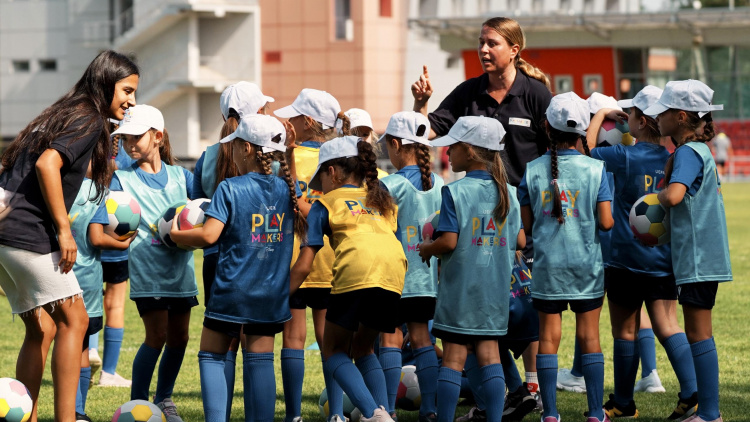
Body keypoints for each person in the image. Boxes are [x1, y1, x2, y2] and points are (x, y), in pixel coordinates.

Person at [0, 50, 138, 422]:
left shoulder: (60, 112)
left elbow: (11, 167)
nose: (131, 101)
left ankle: (24, 417)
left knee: (41, 326)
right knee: (74, 321)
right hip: (27, 232)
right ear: (106, 83)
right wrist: (64, 230)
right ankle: (67, 419)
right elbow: (48, 164)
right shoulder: (89, 118)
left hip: (5, 233)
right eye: (127, 90)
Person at [171, 115, 303, 422]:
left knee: (212, 356)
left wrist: (176, 235)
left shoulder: (229, 188)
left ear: (245, 148)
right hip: (271, 293)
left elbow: (208, 236)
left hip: (233, 291)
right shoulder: (288, 191)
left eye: (232, 148)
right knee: (260, 361)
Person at [587, 85, 699, 420]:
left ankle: (623, 403)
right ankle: (693, 394)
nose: (626, 119)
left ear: (640, 121)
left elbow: (587, 150)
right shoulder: (672, 159)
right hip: (663, 260)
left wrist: (600, 116)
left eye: (630, 114)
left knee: (624, 330)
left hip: (624, 258)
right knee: (667, 325)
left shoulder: (623, 156)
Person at [290, 136, 406, 422]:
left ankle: (372, 413)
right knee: (364, 347)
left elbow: (305, 264)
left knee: (334, 350)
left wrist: (280, 294)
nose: (320, 186)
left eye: (321, 178)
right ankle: (385, 412)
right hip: (393, 274)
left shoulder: (326, 202)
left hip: (357, 272)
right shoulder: (380, 198)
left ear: (332, 172)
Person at [419, 115, 524, 422]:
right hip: (494, 292)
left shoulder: (454, 191)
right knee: (491, 356)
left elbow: (449, 242)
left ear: (467, 149)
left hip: (461, 291)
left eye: (452, 147)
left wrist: (428, 248)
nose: (447, 153)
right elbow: (519, 239)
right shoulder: (511, 194)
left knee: (453, 358)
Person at [517, 92, 614, 422]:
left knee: (548, 339)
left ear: (546, 127)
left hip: (547, 267)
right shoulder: (597, 169)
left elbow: (526, 226)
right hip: (586, 265)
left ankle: (551, 415)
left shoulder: (531, 171)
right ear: (583, 131)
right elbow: (606, 222)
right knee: (590, 337)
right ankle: (597, 413)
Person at [191, 82, 275, 418]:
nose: (268, 112)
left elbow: (194, 206)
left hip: (218, 263)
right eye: (263, 108)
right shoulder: (272, 161)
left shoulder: (207, 156)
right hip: (261, 260)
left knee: (219, 347)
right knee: (258, 351)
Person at [110, 105, 198, 422]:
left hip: (182, 272)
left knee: (180, 338)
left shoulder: (182, 177)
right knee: (156, 335)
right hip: (148, 273)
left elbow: (202, 213)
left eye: (136, 137)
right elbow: (111, 219)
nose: (129, 144)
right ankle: (137, 404)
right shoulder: (121, 179)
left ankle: (164, 399)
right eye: (124, 138)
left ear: (158, 137)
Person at [650, 80, 732, 422]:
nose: (659, 119)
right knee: (700, 333)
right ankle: (707, 412)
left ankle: (710, 414)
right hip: (703, 257)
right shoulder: (698, 151)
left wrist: (658, 193)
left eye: (664, 113)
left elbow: (674, 197)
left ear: (681, 117)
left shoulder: (686, 152)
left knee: (699, 334)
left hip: (697, 260)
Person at [274, 89, 352, 422]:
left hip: (293, 262)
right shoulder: (339, 161)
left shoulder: (286, 160)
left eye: (293, 116)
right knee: (330, 342)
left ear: (306, 122)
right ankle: (337, 413)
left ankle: (293, 415)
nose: (287, 121)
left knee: (293, 338)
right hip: (331, 261)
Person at [378, 111, 444, 421]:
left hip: (394, 279)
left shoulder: (389, 186)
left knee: (390, 340)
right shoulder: (441, 183)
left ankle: (387, 410)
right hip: (427, 280)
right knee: (423, 342)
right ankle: (429, 410)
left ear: (395, 144)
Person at [70, 164, 136, 421]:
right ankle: (78, 411)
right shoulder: (97, 191)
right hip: (86, 280)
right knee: (82, 347)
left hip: (55, 275)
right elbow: (97, 239)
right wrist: (124, 242)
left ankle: (70, 410)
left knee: (56, 345)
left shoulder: (58, 187)